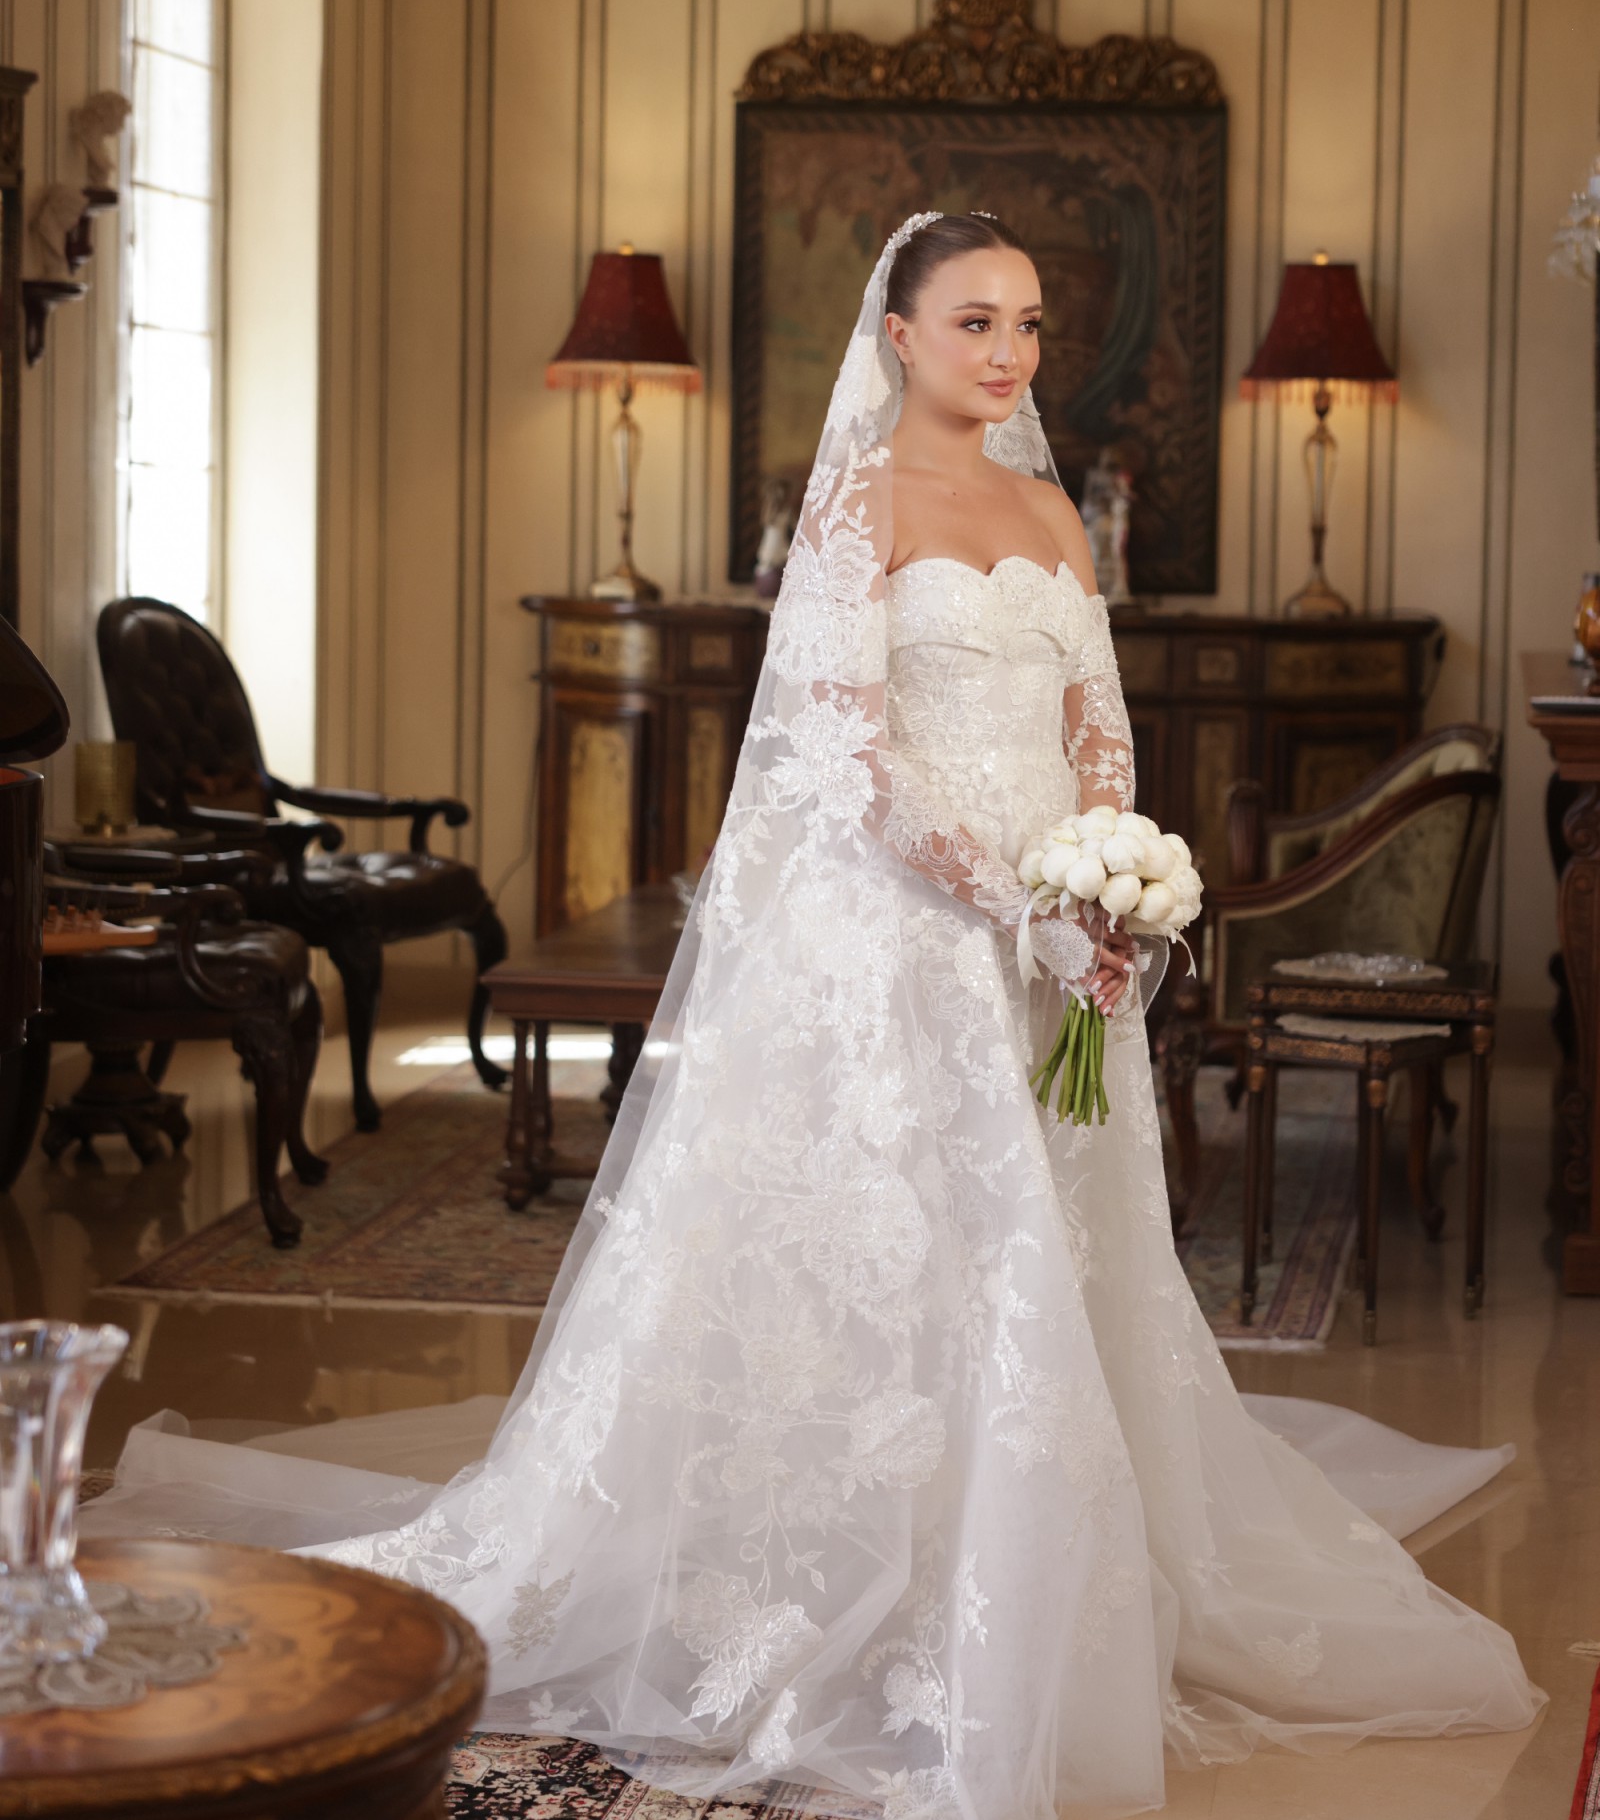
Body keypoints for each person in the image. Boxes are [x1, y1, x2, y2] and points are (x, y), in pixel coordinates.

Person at [85, 211, 1542, 1819]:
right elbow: (849, 756)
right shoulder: (855, 503)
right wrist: (1018, 892)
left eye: (1030, 324)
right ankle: (853, 1581)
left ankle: (1031, 1566)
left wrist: (1110, 882)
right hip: (905, 942)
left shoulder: (1052, 507)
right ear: (899, 335)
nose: (1009, 352)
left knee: (1042, 1255)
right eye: (976, 320)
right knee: (901, 1251)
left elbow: (1100, 729)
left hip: (1053, 946)